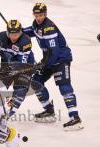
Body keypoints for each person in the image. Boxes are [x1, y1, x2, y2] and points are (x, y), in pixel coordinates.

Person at [23, 3, 83, 131]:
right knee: (35, 82)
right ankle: (49, 111)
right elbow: (32, 30)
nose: (38, 17)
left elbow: (55, 52)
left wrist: (43, 65)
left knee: (64, 85)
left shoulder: (49, 28)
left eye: (40, 15)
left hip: (61, 59)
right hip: (49, 59)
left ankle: (75, 117)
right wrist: (19, 31)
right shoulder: (36, 24)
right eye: (36, 15)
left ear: (45, 14)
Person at [0, 19, 35, 117]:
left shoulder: (26, 41)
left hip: (26, 66)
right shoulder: (1, 37)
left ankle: (9, 113)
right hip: (6, 64)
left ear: (21, 32)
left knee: (20, 88)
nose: (14, 37)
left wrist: (11, 64)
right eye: (11, 34)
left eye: (16, 34)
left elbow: (21, 64)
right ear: (7, 32)